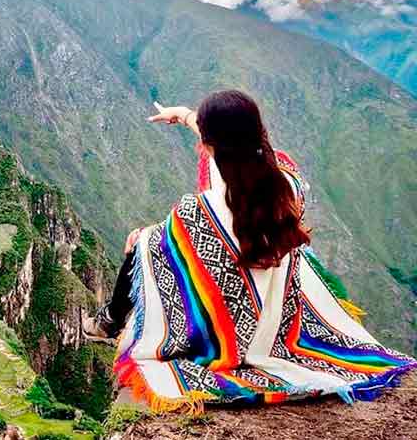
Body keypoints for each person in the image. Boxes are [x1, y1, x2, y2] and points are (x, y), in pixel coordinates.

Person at [83, 90, 415, 410]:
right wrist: (184, 115)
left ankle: (109, 320)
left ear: (210, 147)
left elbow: (156, 252)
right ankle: (111, 319)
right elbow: (231, 139)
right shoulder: (286, 182)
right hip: (281, 318)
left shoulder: (198, 214)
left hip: (232, 332)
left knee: (143, 243)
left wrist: (141, 239)